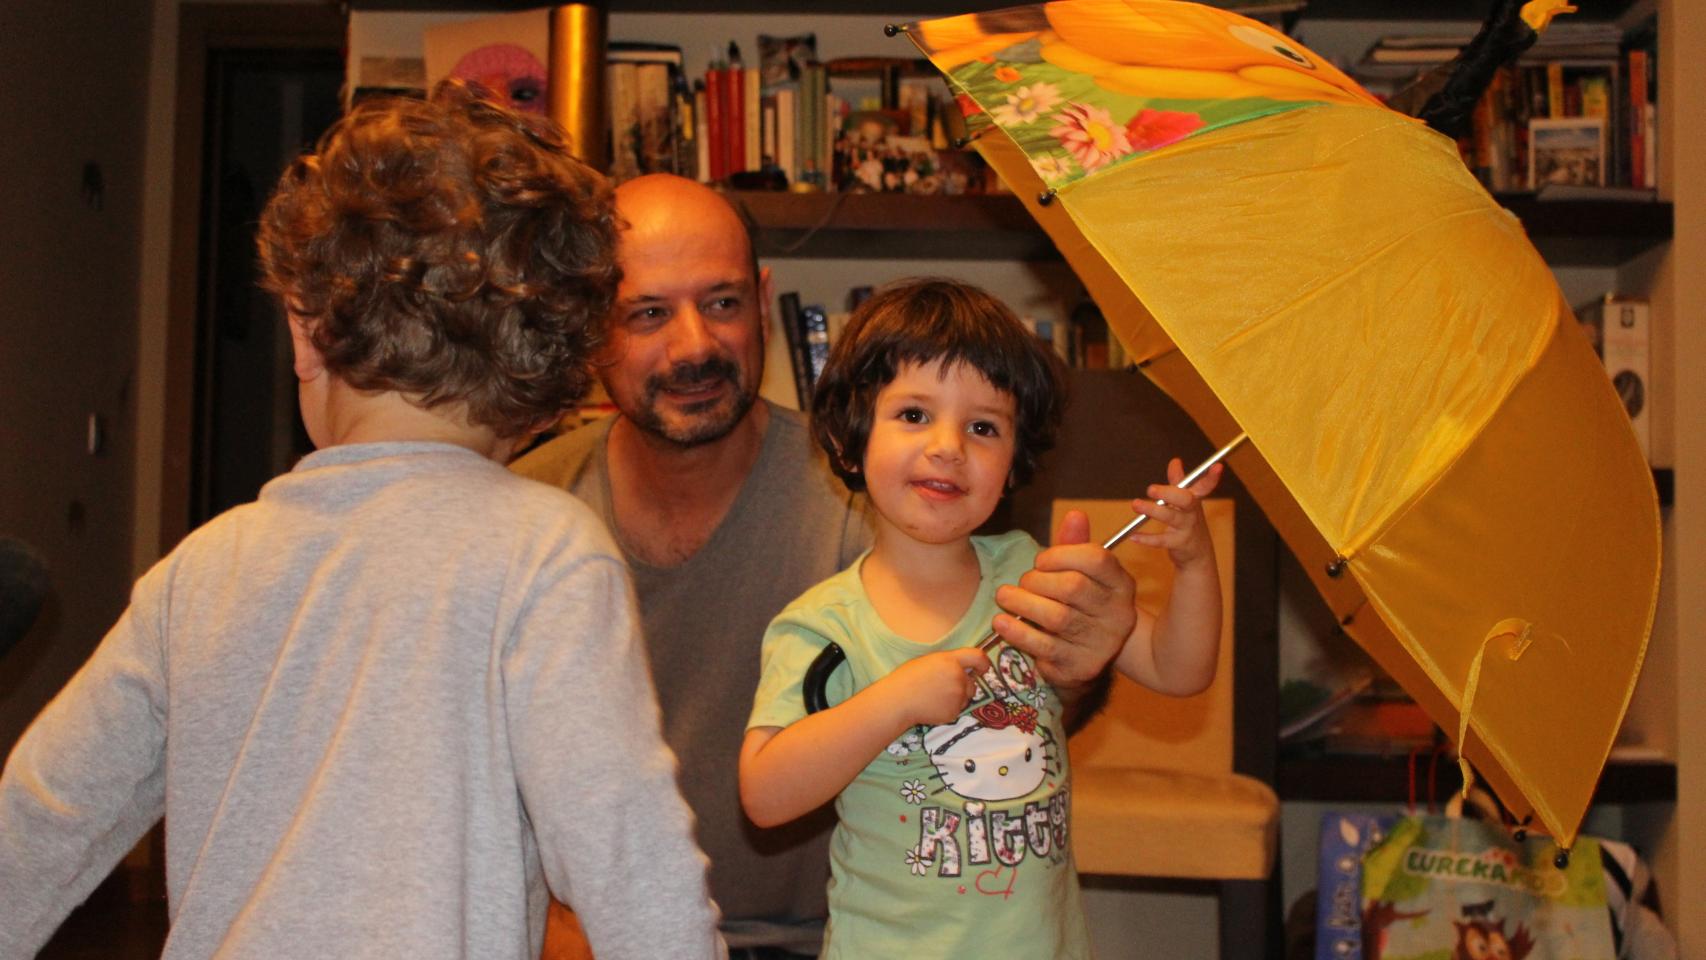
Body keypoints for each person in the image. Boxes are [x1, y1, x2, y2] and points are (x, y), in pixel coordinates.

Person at [0, 82, 722, 960]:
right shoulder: (544, 550)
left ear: (306, 332)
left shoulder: (204, 567)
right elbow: (626, 857)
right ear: (548, 383)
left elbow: (44, 817)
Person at [511, 174, 1145, 958]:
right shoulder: (531, 513)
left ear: (763, 301)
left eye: (722, 302)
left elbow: (1016, 705)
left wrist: (1082, 656)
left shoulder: (878, 488)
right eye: (647, 313)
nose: (695, 345)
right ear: (589, 330)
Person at [736, 278, 1224, 958]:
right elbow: (764, 793)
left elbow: (1181, 669)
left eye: (983, 426)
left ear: (1013, 462)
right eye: (913, 414)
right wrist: (897, 700)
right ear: (851, 440)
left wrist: (1194, 561)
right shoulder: (824, 627)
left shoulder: (1034, 576)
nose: (948, 446)